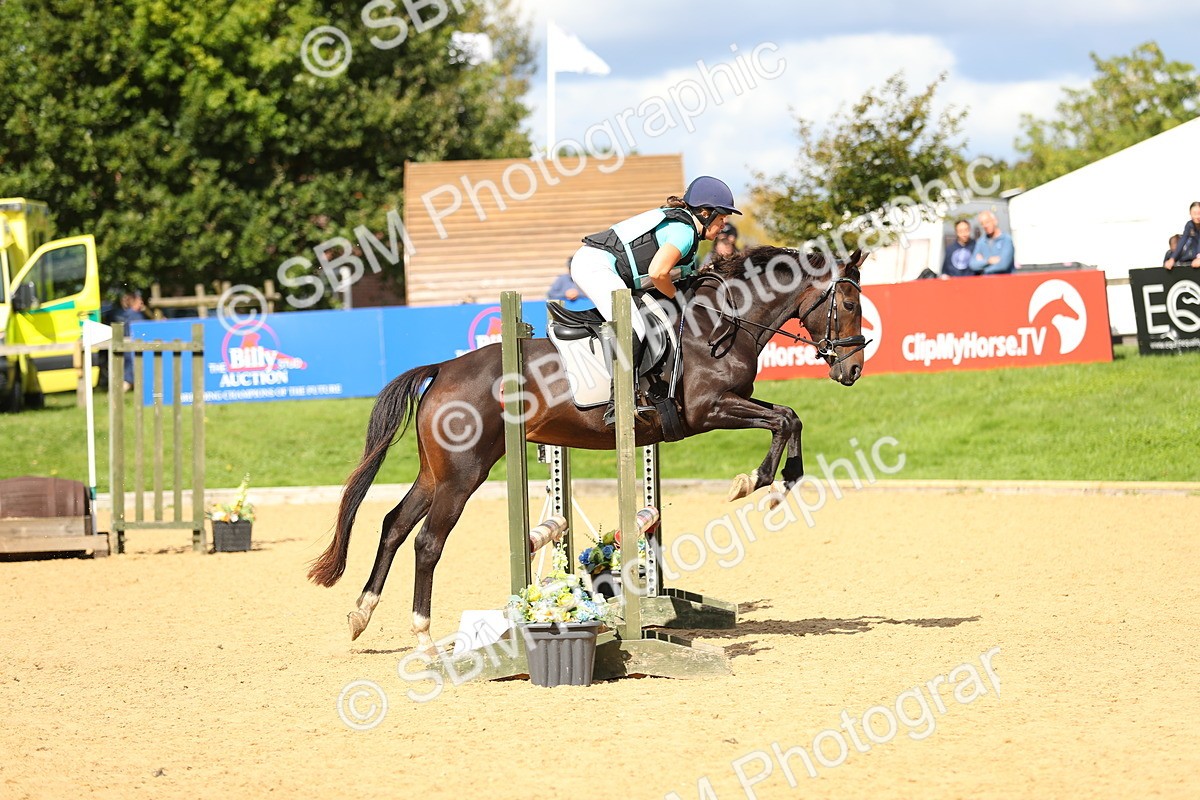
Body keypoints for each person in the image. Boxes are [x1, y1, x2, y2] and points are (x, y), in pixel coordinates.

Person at [571, 175, 741, 424]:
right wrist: (678, 298)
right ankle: (617, 403)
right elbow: (658, 273)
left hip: (606, 267)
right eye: (722, 217)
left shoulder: (688, 234)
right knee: (634, 326)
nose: (724, 224)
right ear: (705, 213)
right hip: (594, 266)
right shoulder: (684, 232)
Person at [110, 288, 147, 391]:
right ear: (134, 302)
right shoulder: (135, 316)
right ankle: (115, 394)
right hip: (133, 350)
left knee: (131, 375)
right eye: (140, 301)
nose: (142, 303)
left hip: (128, 349)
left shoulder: (126, 314)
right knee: (129, 378)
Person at [1163, 202, 1200, 270]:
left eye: (1199, 213)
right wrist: (1172, 259)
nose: (1197, 216)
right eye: (1194, 213)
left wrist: (1199, 258)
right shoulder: (1189, 225)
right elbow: (1182, 241)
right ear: (1190, 213)